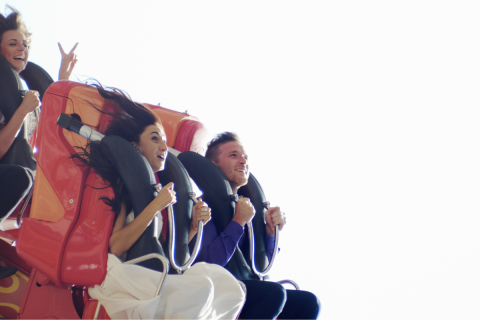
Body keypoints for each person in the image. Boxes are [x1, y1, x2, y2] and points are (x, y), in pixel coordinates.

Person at [72, 84, 245, 319]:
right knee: (202, 290)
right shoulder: (127, 186)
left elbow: (167, 251)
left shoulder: (159, 189)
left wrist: (193, 226)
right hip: (128, 275)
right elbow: (117, 245)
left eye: (164, 140)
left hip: (157, 271)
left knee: (228, 288)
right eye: (155, 139)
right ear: (135, 146)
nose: (164, 147)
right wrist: (155, 206)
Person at [192, 132, 321, 319]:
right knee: (272, 293)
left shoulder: (247, 208)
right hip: (213, 290)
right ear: (214, 166)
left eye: (245, 157)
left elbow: (260, 267)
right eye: (233, 155)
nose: (243, 161)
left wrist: (270, 233)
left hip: (247, 288)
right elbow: (210, 263)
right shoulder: (203, 207)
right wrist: (238, 222)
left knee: (307, 303)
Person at [0, 6, 78, 279]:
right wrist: (20, 112)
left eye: (25, 44)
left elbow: (50, 127)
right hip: (9, 175)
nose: (22, 48)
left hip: (20, 181)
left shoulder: (25, 95)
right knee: (22, 177)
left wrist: (63, 77)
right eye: (12, 43)